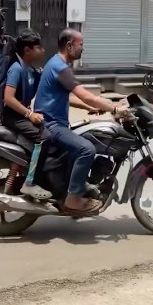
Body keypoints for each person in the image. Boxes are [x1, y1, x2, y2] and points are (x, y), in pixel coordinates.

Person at [35, 28, 128, 214]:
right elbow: (87, 95)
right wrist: (115, 109)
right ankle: (73, 199)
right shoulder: (60, 67)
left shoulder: (56, 64)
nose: (83, 49)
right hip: (52, 125)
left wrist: (91, 108)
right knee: (87, 149)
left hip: (53, 122)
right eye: (81, 44)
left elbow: (66, 97)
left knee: (86, 137)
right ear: (69, 45)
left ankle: (74, 187)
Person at [2, 29, 50, 200]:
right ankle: (30, 183)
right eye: (39, 47)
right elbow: (8, 98)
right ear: (28, 50)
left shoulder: (30, 69)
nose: (43, 51)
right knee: (44, 137)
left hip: (20, 115)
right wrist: (29, 114)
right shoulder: (16, 68)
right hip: (13, 116)